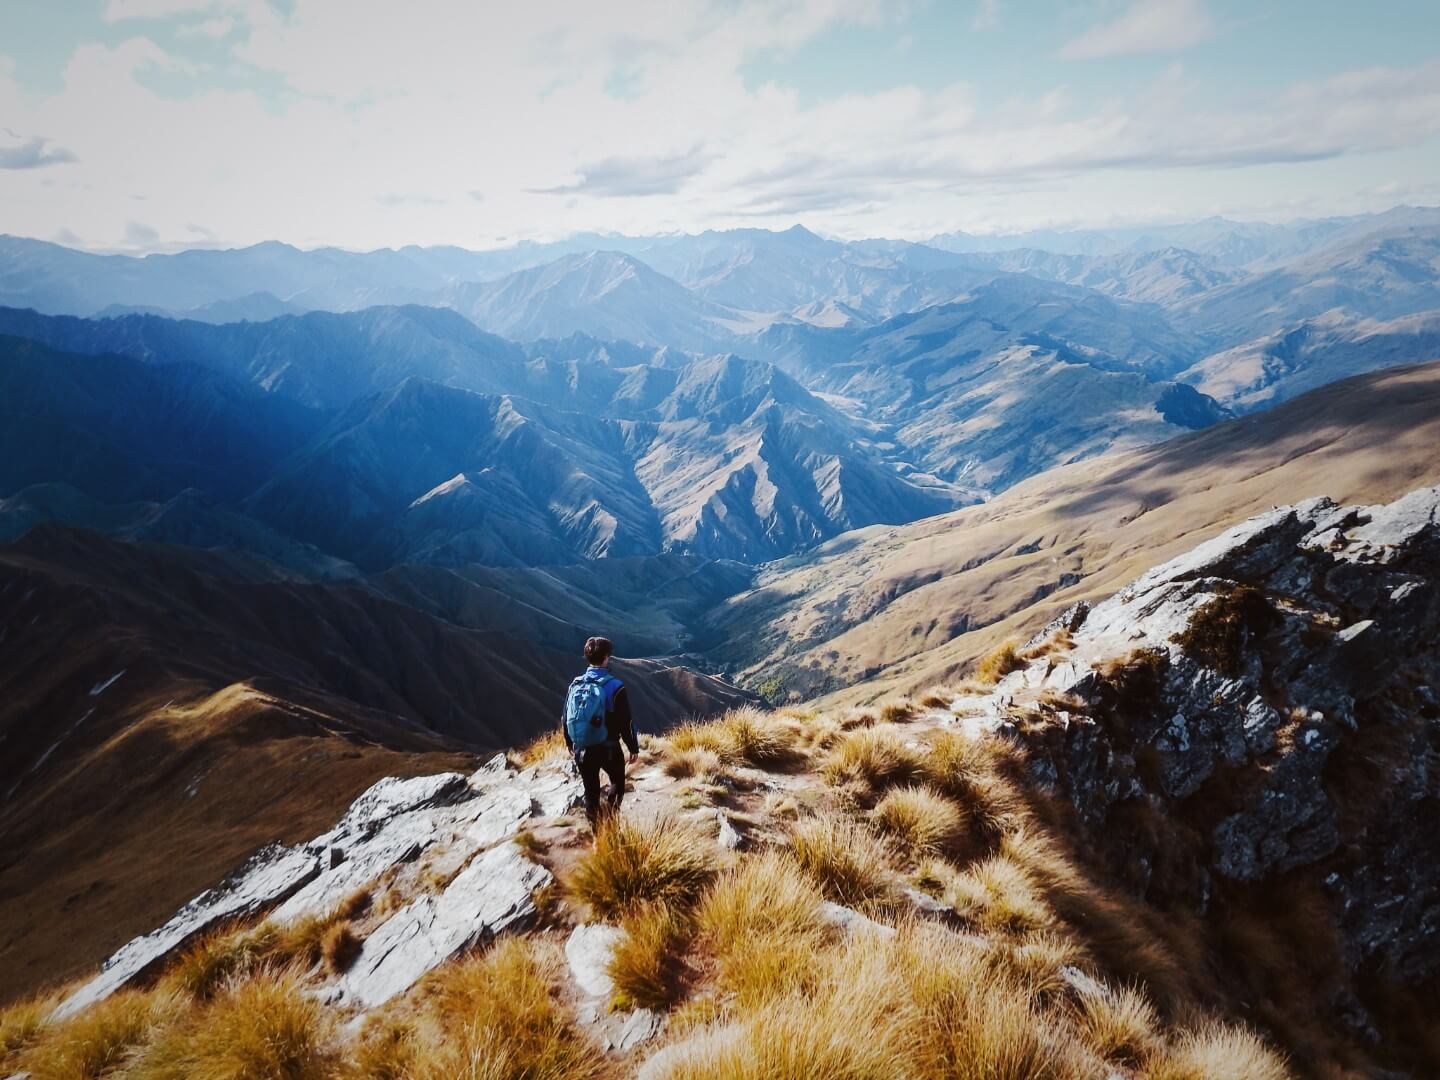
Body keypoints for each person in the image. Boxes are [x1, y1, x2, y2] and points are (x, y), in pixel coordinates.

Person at [562, 636, 639, 828]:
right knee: (617, 785)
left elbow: (566, 716)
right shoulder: (615, 686)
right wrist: (633, 746)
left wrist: (570, 742)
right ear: (606, 658)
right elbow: (626, 721)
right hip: (609, 748)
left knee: (591, 792)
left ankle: (597, 833)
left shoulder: (575, 684)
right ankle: (611, 825)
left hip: (582, 748)